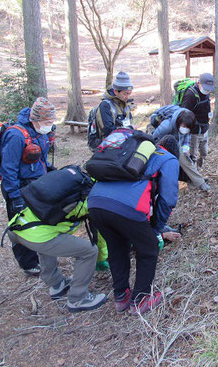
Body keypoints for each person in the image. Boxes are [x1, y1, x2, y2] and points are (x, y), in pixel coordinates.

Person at [87, 135, 180, 315]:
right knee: (149, 248)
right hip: (126, 207)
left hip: (95, 203)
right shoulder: (169, 159)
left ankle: (121, 297)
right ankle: (140, 299)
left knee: (117, 247)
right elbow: (168, 199)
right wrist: (157, 227)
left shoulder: (133, 154)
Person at [7, 199, 107, 312]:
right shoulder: (90, 198)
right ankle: (78, 298)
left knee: (47, 234)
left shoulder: (68, 184)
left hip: (17, 226)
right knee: (89, 251)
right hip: (36, 234)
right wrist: (101, 259)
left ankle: (56, 284)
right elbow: (99, 235)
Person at [0, 97, 56, 276]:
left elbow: (41, 159)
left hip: (37, 185)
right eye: (47, 122)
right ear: (36, 119)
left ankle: (42, 257)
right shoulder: (15, 135)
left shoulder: (40, 133)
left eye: (52, 121)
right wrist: (14, 196)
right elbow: (8, 169)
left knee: (39, 222)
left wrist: (50, 171)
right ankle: (28, 264)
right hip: (20, 188)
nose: (50, 125)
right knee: (22, 226)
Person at [152, 107, 210, 191]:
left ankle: (195, 180)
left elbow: (187, 138)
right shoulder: (166, 126)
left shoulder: (188, 124)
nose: (185, 128)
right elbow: (154, 137)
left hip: (175, 142)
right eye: (184, 126)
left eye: (188, 127)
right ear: (179, 122)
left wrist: (185, 149)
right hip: (162, 142)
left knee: (186, 158)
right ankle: (198, 182)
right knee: (177, 160)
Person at [181, 73, 214, 169]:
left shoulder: (206, 94)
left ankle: (198, 169)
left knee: (204, 152)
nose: (207, 90)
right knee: (193, 155)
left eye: (209, 88)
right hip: (194, 131)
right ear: (199, 83)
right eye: (205, 87)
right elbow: (183, 113)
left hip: (204, 128)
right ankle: (194, 177)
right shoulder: (190, 95)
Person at [95, 71, 134, 139]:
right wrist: (130, 128)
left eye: (129, 93)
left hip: (124, 142)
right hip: (108, 145)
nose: (127, 97)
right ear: (116, 91)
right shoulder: (106, 106)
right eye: (125, 93)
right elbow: (109, 132)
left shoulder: (124, 104)